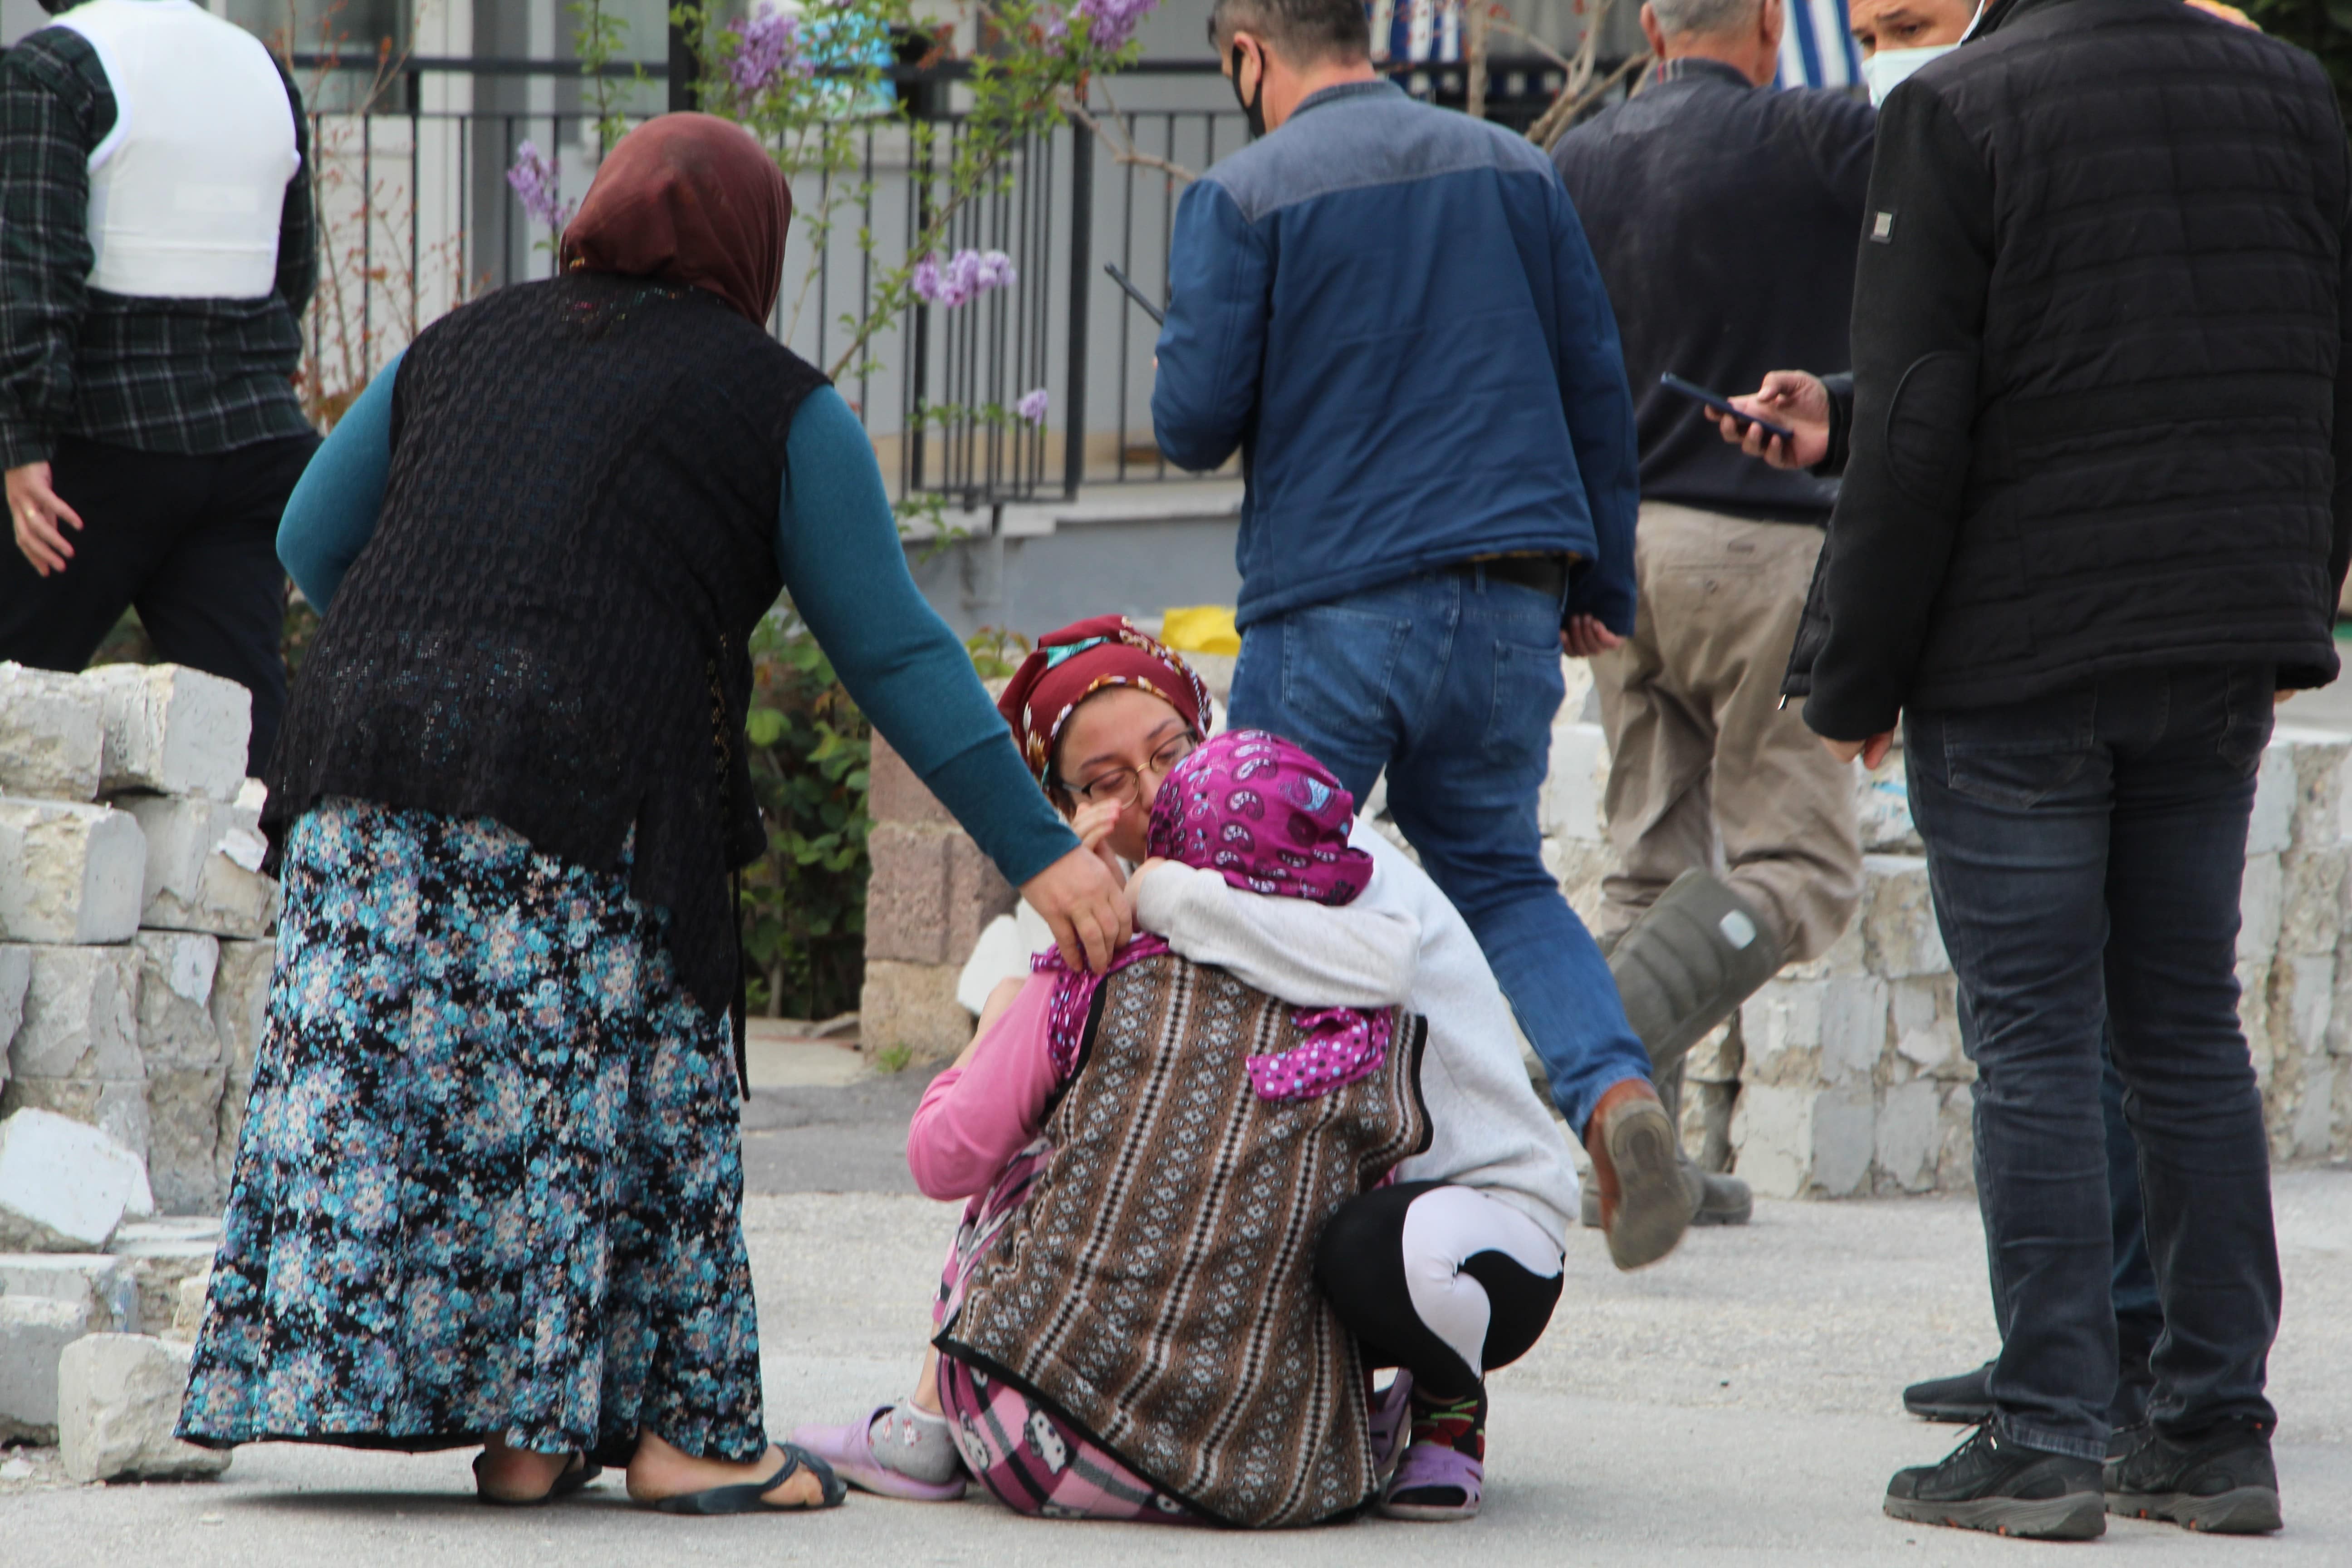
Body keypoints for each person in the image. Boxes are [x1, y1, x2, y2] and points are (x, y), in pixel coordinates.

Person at [173, 115, 1130, 1515]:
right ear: (753, 251)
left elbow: (313, 537)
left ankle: (536, 1432)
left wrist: (438, 656)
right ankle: (680, 1435)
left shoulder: (465, 338)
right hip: (580, 769)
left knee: (445, 1089)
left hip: (356, 768)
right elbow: (897, 651)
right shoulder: (776, 403)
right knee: (614, 1083)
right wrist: (1042, 853)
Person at [1767, 0, 2350, 1537]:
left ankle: (2045, 1428)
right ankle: (2213, 1423)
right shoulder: (2286, 91)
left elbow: (1910, 423)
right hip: (2222, 625)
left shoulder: (1961, 107)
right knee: (2180, 1023)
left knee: (2033, 1037)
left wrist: (1854, 669)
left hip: (2022, 646)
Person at [794, 620, 1581, 1523]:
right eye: (1107, 784)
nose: (1157, 791)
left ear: (1211, 736)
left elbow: (1384, 968)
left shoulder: (1317, 855)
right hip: (1342, 1241)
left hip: (1477, 1234)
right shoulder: (1128, 919)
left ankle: (1448, 1409)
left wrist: (1141, 903)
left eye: (1171, 752)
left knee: (1363, 1245)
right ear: (1065, 809)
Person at [1152, 0, 1683, 1273]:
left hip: (1333, 599)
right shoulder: (1517, 167)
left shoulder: (1245, 192)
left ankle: (1253, 1191)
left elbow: (1190, 420)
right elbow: (1593, 387)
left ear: (1248, 52)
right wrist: (1596, 580)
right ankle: (1612, 1093)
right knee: (1499, 875)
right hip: (1510, 598)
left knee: (1264, 891)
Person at [1549, 0, 1875, 1229]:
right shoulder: (1822, 137)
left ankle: (1639, 1169)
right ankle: (1590, 1051)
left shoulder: (1577, 157)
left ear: (1647, 26)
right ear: (1769, 34)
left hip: (1621, 556)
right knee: (1802, 873)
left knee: (1647, 859)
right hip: (1765, 551)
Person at [0, 0, 321, 773]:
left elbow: (32, 272)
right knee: (243, 736)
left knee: (13, 678)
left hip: (95, 449)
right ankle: (277, 885)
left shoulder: (53, 68)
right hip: (253, 447)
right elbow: (294, 266)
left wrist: (23, 441)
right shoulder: (263, 70)